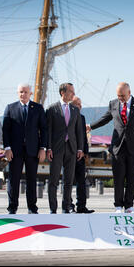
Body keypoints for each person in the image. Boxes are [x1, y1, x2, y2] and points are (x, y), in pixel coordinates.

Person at [88, 82, 134, 213]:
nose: (120, 98)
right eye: (118, 95)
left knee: (131, 178)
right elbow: (105, 119)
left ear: (129, 93)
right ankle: (118, 206)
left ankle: (129, 206)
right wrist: (91, 126)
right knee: (118, 178)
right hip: (117, 147)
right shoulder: (113, 103)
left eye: (122, 95)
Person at [2, 84, 47, 214]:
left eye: (26, 92)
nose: (23, 94)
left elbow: (44, 129)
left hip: (33, 151)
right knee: (13, 180)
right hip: (14, 151)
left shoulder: (38, 108)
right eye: (21, 92)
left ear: (30, 93)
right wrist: (7, 148)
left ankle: (32, 208)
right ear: (18, 93)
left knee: (32, 179)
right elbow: (6, 130)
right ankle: (12, 207)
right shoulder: (10, 108)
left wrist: (43, 148)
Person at [46, 83, 84, 214]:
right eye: (71, 91)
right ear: (63, 92)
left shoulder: (75, 110)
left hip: (72, 149)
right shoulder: (51, 109)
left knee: (69, 181)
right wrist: (48, 148)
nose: (73, 94)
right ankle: (53, 209)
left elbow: (79, 131)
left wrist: (80, 149)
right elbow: (48, 131)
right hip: (56, 149)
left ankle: (66, 207)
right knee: (54, 180)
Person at [69, 96, 94, 213]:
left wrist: (85, 152)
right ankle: (69, 205)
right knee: (68, 181)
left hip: (81, 155)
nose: (80, 106)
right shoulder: (67, 117)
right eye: (77, 104)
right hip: (68, 154)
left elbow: (84, 137)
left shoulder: (82, 118)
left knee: (82, 181)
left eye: (80, 104)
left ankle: (81, 206)